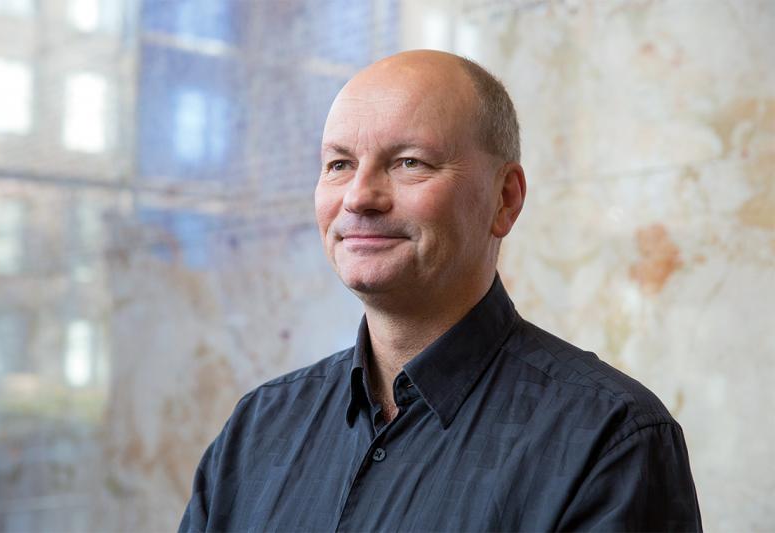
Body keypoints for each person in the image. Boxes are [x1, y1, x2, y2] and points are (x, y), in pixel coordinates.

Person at [179, 49, 702, 532]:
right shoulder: (257, 430)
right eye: (339, 164)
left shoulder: (609, 439)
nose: (360, 196)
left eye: (410, 162)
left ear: (505, 199)